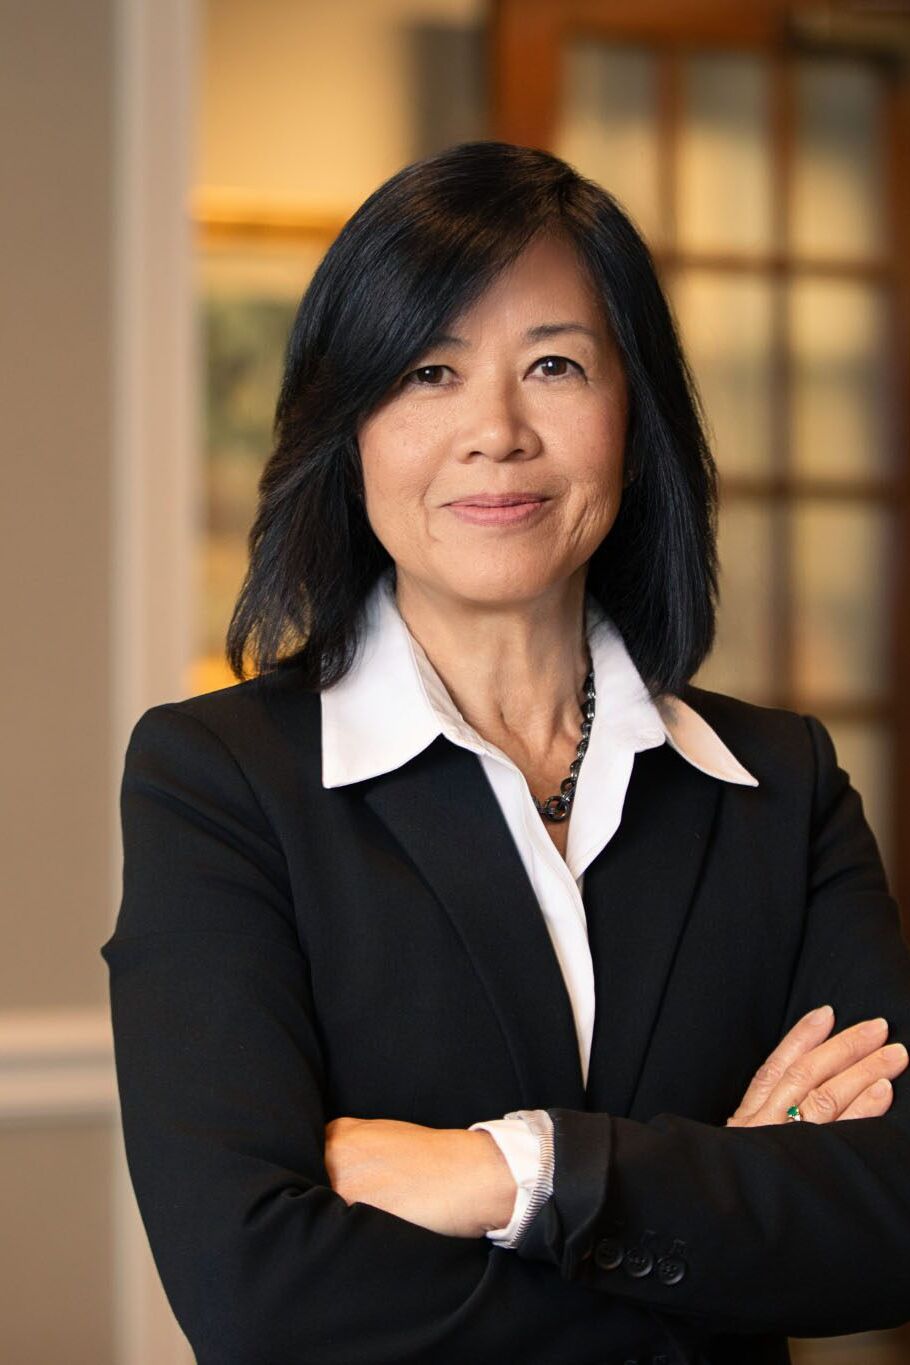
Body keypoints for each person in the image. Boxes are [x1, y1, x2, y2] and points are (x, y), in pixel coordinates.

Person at [101, 141, 910, 1365]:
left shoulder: (778, 786)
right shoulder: (221, 782)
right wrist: (714, 1220)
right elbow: (256, 1296)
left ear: (633, 417)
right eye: (428, 371)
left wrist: (504, 1174)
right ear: (349, 426)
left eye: (554, 365)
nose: (495, 431)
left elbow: (890, 1222)